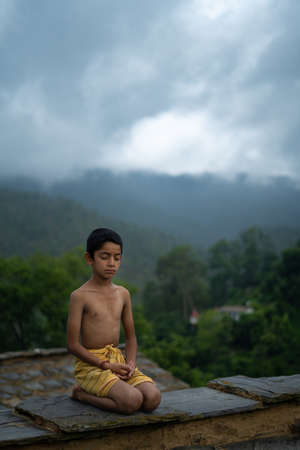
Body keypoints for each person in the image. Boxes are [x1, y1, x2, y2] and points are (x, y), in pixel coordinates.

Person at [67, 228, 161, 414]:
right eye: (104, 257)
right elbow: (72, 345)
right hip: (92, 366)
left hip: (118, 361)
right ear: (89, 258)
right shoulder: (80, 296)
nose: (111, 263)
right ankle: (81, 394)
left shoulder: (123, 294)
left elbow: (131, 337)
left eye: (117, 258)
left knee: (152, 399)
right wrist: (105, 365)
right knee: (132, 401)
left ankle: (119, 385)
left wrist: (131, 364)